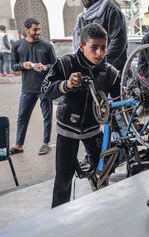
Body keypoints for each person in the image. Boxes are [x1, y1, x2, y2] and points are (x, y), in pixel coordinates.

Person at [42, 23, 121, 208]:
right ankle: (58, 218)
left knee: (103, 173)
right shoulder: (65, 63)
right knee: (63, 179)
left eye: (103, 47)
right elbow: (45, 89)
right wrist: (66, 84)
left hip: (94, 130)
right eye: (94, 47)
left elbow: (120, 100)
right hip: (67, 130)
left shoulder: (109, 71)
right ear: (82, 46)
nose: (100, 53)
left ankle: (103, 210)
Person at [10, 18, 56, 156]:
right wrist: (23, 66)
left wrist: (45, 67)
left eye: (39, 29)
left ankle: (46, 143)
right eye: (35, 29)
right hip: (27, 89)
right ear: (26, 30)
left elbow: (55, 66)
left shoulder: (47, 46)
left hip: (44, 88)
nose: (38, 32)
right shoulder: (17, 45)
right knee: (22, 117)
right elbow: (13, 66)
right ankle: (19, 145)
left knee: (47, 116)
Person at [73, 0, 127, 72]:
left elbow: (118, 41)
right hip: (89, 72)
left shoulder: (111, 9)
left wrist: (100, 63)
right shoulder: (83, 16)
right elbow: (80, 44)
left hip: (112, 72)